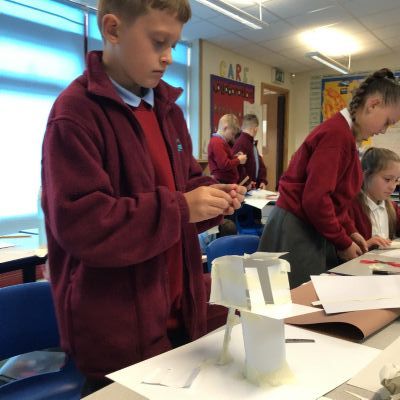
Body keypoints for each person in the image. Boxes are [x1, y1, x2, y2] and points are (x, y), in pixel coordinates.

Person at [40, 0, 246, 396]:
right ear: (113, 30)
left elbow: (184, 187)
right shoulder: (75, 113)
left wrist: (213, 198)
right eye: (158, 42)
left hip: (180, 313)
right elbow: (84, 224)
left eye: (174, 45)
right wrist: (183, 207)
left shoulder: (168, 110)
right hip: (117, 334)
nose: (168, 57)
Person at [258, 68, 400, 288]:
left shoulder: (346, 136)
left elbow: (336, 199)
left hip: (308, 224)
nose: (384, 130)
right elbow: (316, 199)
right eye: (387, 122)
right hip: (296, 226)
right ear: (373, 105)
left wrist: (350, 231)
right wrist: (343, 242)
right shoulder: (337, 135)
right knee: (293, 296)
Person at [349, 147, 400, 249]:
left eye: (396, 180)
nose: (392, 187)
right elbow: (344, 250)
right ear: (365, 175)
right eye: (387, 179)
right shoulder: (351, 207)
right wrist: (366, 244)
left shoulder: (392, 207)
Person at [207, 114, 247, 183]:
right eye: (232, 134)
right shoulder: (217, 142)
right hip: (222, 181)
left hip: (226, 181)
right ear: (225, 128)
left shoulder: (221, 141)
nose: (232, 137)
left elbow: (225, 159)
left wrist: (235, 157)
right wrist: (238, 160)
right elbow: (224, 165)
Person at [232, 113, 268, 189]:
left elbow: (259, 163)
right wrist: (247, 183)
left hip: (253, 188)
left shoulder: (251, 143)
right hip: (245, 189)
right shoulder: (241, 143)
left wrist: (262, 180)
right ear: (255, 129)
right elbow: (236, 168)